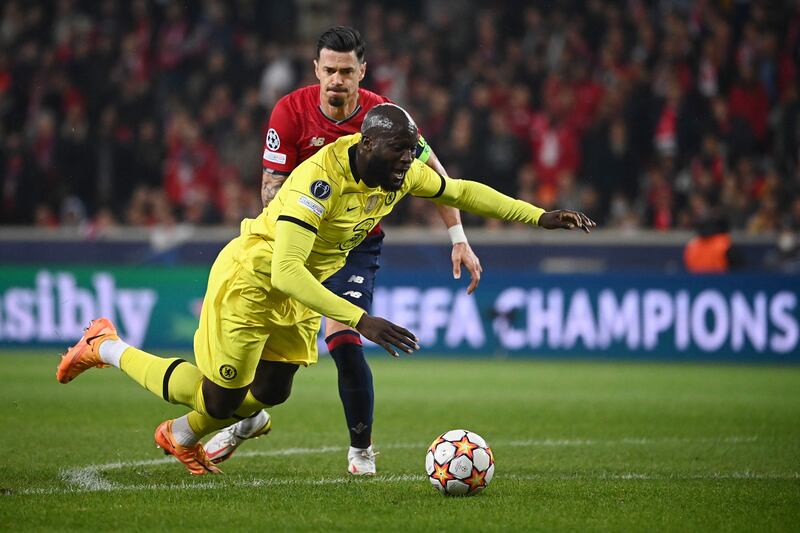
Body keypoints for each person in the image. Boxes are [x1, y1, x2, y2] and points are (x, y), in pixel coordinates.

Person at [56, 103, 595, 476]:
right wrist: (363, 320)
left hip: (295, 290)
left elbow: (460, 189)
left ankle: (181, 431)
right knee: (218, 400)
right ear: (369, 145)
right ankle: (105, 346)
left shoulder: (398, 172)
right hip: (254, 280)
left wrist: (538, 215)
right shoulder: (319, 181)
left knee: (272, 393)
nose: (410, 166)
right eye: (401, 155)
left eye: (413, 155)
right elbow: (287, 271)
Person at [205, 26, 481, 476]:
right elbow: (271, 189)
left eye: (346, 71)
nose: (336, 79)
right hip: (300, 244)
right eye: (329, 70)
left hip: (357, 244)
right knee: (273, 373)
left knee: (346, 341)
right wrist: (291, 246)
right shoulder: (289, 112)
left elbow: (437, 177)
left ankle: (361, 453)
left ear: (362, 72)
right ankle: (245, 420)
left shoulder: (385, 116)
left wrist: (458, 238)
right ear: (316, 70)